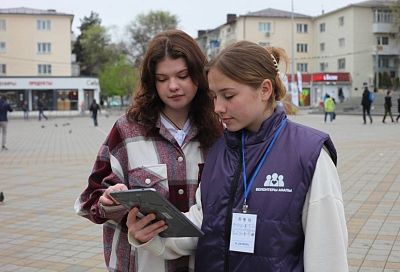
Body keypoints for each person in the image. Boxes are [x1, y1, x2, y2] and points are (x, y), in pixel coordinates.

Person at [126, 41, 348, 272]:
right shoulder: (219, 149)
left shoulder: (309, 153)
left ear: (264, 90)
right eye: (214, 97)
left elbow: (327, 253)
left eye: (228, 96)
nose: (218, 107)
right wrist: (151, 234)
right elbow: (200, 225)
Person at [74, 29, 222, 272]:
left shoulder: (220, 131)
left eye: (182, 75)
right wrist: (109, 202)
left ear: (199, 74)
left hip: (203, 263)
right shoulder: (127, 130)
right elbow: (90, 198)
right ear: (151, 82)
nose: (173, 86)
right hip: (141, 263)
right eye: (162, 79)